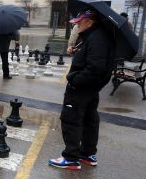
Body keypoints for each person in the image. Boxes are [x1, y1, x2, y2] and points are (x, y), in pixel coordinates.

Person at [49, 10, 116, 170]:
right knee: (89, 119)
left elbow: (96, 67)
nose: (77, 24)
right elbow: (94, 59)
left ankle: (71, 157)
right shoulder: (96, 36)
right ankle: (87, 154)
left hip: (82, 87)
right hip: (91, 88)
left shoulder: (96, 39)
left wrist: (74, 79)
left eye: (80, 22)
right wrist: (79, 52)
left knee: (71, 118)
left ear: (89, 22)